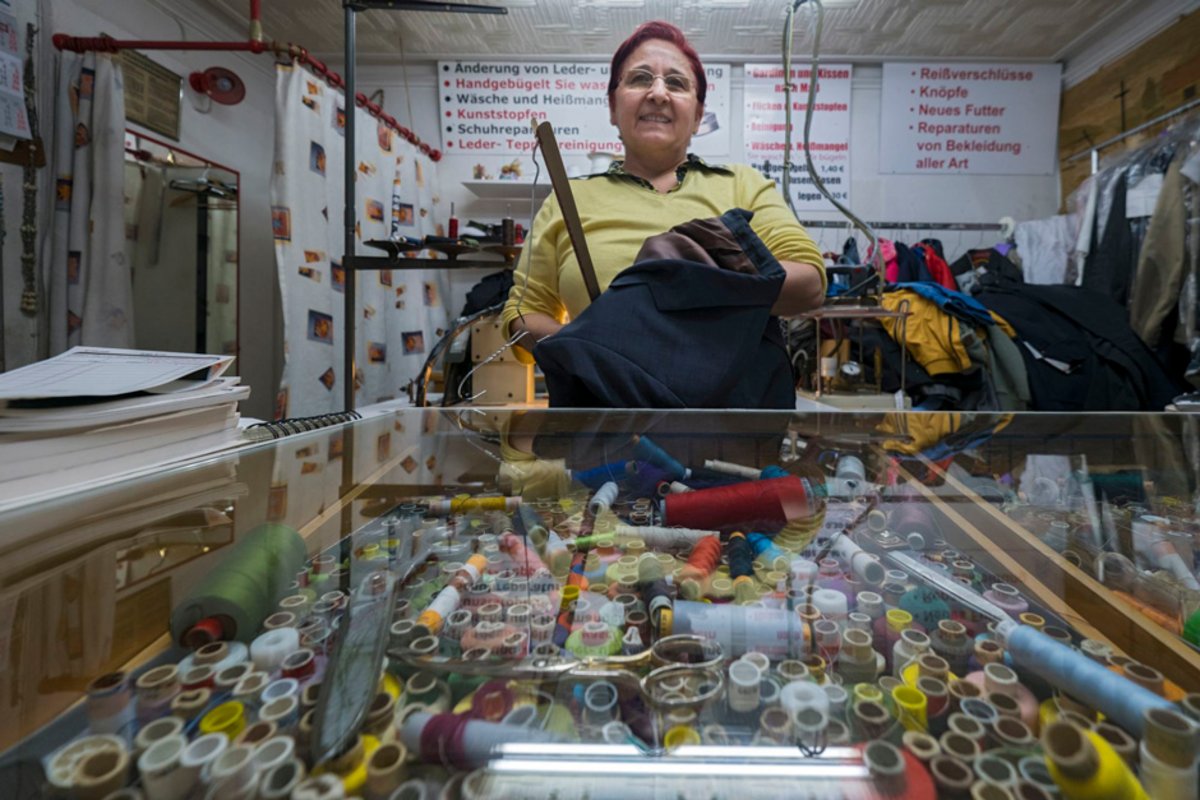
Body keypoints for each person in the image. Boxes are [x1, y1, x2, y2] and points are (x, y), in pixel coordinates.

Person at [500, 20, 827, 355]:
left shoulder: (743, 185)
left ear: (698, 116)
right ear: (613, 107)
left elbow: (809, 283)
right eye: (640, 78)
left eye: (676, 83)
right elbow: (523, 312)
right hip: (598, 389)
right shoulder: (567, 199)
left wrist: (699, 280)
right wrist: (585, 350)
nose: (658, 93)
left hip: (727, 390)